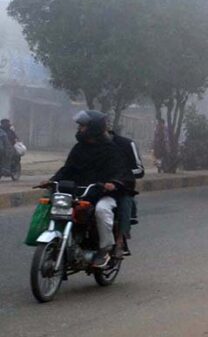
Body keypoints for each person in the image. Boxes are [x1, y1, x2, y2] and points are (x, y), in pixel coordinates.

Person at [47, 110, 130, 268]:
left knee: (101, 210)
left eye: (83, 126)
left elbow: (119, 171)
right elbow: (68, 169)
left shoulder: (111, 150)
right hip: (79, 192)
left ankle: (104, 249)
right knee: (56, 206)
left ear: (93, 128)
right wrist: (52, 181)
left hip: (102, 194)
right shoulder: (79, 148)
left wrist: (111, 183)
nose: (79, 129)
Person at [108, 124, 145, 259]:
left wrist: (119, 179)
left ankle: (120, 240)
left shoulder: (127, 144)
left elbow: (139, 170)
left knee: (123, 199)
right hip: (97, 187)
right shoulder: (87, 146)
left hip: (122, 188)